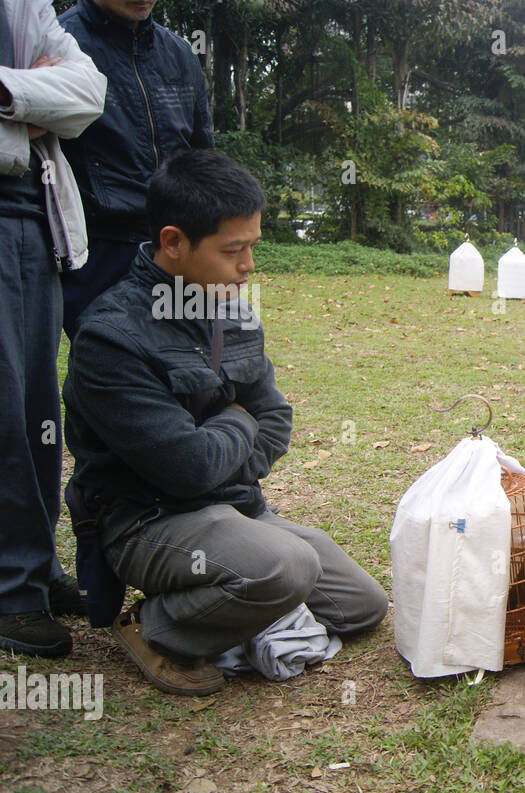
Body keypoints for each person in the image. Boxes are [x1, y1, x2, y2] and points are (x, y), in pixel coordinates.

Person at [64, 150, 388, 695]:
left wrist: (225, 443)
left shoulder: (230, 310)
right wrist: (238, 420)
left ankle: (239, 597)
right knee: (285, 568)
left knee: (361, 606)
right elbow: (187, 470)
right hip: (150, 522)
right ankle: (154, 627)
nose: (248, 267)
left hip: (236, 505)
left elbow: (276, 418)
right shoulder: (111, 338)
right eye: (232, 250)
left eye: (252, 247)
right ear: (173, 242)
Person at [0, 0, 106, 658]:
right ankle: (12, 592)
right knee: (5, 410)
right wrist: (34, 98)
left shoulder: (23, 4)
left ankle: (35, 570)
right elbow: (55, 102)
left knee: (39, 406)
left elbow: (86, 93)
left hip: (32, 216)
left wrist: (8, 88)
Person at [58, 0, 214, 338]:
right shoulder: (61, 44)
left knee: (187, 365)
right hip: (97, 249)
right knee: (110, 366)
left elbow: (202, 154)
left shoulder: (179, 53)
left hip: (175, 244)